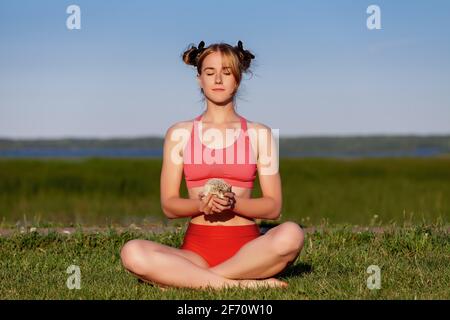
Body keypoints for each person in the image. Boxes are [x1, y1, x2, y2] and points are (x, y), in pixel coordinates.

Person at [120, 40, 305, 290]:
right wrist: (199, 205)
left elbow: (273, 207)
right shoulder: (179, 133)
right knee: (132, 251)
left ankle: (189, 279)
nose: (218, 79)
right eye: (210, 72)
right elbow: (169, 205)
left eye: (226, 72)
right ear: (199, 79)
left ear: (238, 79)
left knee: (292, 234)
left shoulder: (260, 134)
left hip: (249, 250)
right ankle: (239, 285)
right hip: (195, 251)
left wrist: (234, 203)